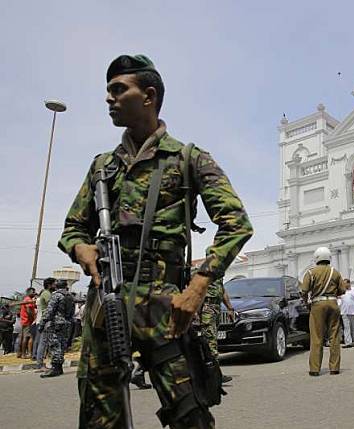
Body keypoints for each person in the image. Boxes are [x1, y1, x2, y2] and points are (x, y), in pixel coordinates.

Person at [57, 54, 253, 428]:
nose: (109, 99)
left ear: (148, 95)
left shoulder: (188, 159)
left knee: (190, 416)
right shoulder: (103, 167)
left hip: (166, 309)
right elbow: (72, 228)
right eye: (108, 91)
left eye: (118, 90)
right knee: (100, 418)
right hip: (107, 306)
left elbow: (236, 224)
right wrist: (81, 249)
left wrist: (198, 286)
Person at [300, 247, 345, 376]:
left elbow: (304, 291)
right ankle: (334, 368)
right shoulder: (335, 272)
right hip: (332, 303)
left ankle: (315, 369)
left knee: (317, 337)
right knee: (334, 336)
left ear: (316, 258)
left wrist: (306, 302)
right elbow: (342, 290)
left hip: (317, 304)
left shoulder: (310, 273)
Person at [195, 276, 235, 383]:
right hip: (207, 308)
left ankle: (210, 374)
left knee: (212, 342)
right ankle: (214, 376)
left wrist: (230, 308)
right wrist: (197, 312)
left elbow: (222, 291)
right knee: (210, 343)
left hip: (216, 308)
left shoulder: (218, 275)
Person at [39, 279, 75, 378]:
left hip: (56, 323)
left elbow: (49, 311)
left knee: (55, 345)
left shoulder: (56, 295)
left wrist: (42, 323)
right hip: (67, 323)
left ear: (57, 286)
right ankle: (59, 367)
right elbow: (72, 311)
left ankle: (55, 368)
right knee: (62, 345)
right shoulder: (70, 296)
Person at [35, 278, 55, 368]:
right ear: (49, 285)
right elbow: (52, 305)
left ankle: (41, 363)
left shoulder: (46, 293)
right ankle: (39, 364)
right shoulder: (47, 294)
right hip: (45, 321)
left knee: (44, 343)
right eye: (54, 284)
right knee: (43, 343)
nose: (56, 286)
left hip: (43, 320)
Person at [339, 279, 354, 348]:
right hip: (344, 312)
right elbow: (338, 299)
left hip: (353, 312)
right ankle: (348, 342)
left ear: (349, 283)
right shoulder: (342, 291)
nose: (343, 285)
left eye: (345, 284)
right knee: (347, 328)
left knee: (353, 328)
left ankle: (353, 341)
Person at [18, 287, 36, 358]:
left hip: (23, 320)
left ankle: (19, 353)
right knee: (27, 337)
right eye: (33, 292)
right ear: (29, 292)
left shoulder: (26, 299)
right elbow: (29, 310)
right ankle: (24, 354)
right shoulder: (28, 300)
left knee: (22, 337)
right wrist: (33, 317)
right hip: (27, 321)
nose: (34, 293)